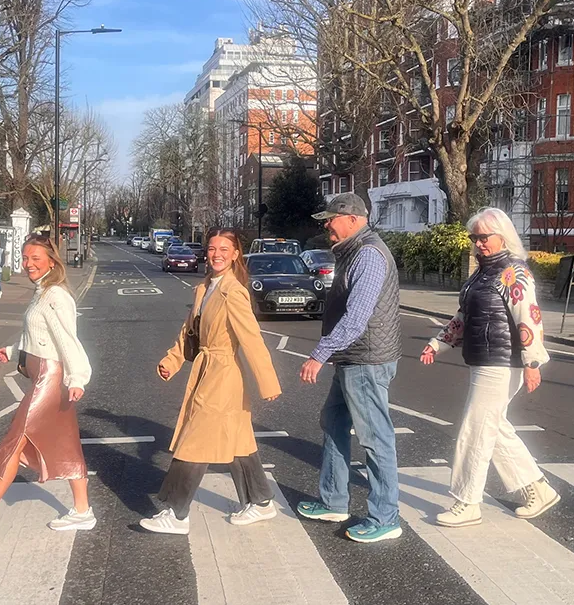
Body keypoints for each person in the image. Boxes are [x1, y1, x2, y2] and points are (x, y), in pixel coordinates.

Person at [0, 234, 95, 533]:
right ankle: (83, 511)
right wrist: (14, 351)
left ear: (52, 261)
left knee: (15, 439)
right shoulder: (42, 291)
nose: (28, 264)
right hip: (44, 376)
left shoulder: (56, 296)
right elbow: (40, 335)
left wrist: (77, 377)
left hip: (50, 379)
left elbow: (67, 340)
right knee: (66, 445)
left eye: (35, 259)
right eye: (26, 258)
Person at [420, 207, 558, 526]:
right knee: (493, 429)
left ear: (503, 236)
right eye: (475, 237)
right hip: (484, 359)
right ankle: (537, 489)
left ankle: (467, 502)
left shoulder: (513, 272)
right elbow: (464, 317)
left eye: (485, 237)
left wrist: (532, 362)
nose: (479, 243)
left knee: (475, 430)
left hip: (502, 363)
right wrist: (438, 342)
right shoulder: (482, 273)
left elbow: (530, 318)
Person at [141, 229, 282, 535]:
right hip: (209, 369)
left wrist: (267, 381)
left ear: (235, 254)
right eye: (212, 248)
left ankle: (175, 513)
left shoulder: (233, 292)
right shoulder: (205, 287)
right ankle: (260, 502)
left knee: (195, 441)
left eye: (224, 249)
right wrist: (171, 361)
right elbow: (188, 331)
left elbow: (252, 339)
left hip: (223, 375)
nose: (216, 253)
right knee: (239, 441)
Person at [297, 193, 403, 543]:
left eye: (331, 218)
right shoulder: (354, 251)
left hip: (365, 360)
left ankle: (386, 517)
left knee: (375, 440)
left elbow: (357, 318)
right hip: (354, 358)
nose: (326, 224)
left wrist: (319, 353)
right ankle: (333, 501)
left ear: (354, 220)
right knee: (334, 422)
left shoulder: (368, 255)